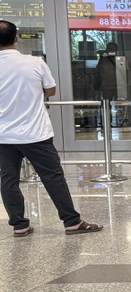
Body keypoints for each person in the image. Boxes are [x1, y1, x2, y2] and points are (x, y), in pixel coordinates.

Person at [0, 20, 102, 237]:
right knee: (53, 177)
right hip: (35, 133)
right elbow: (51, 90)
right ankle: (71, 222)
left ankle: (19, 225)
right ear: (16, 38)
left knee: (8, 179)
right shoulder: (35, 63)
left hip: (3, 135)